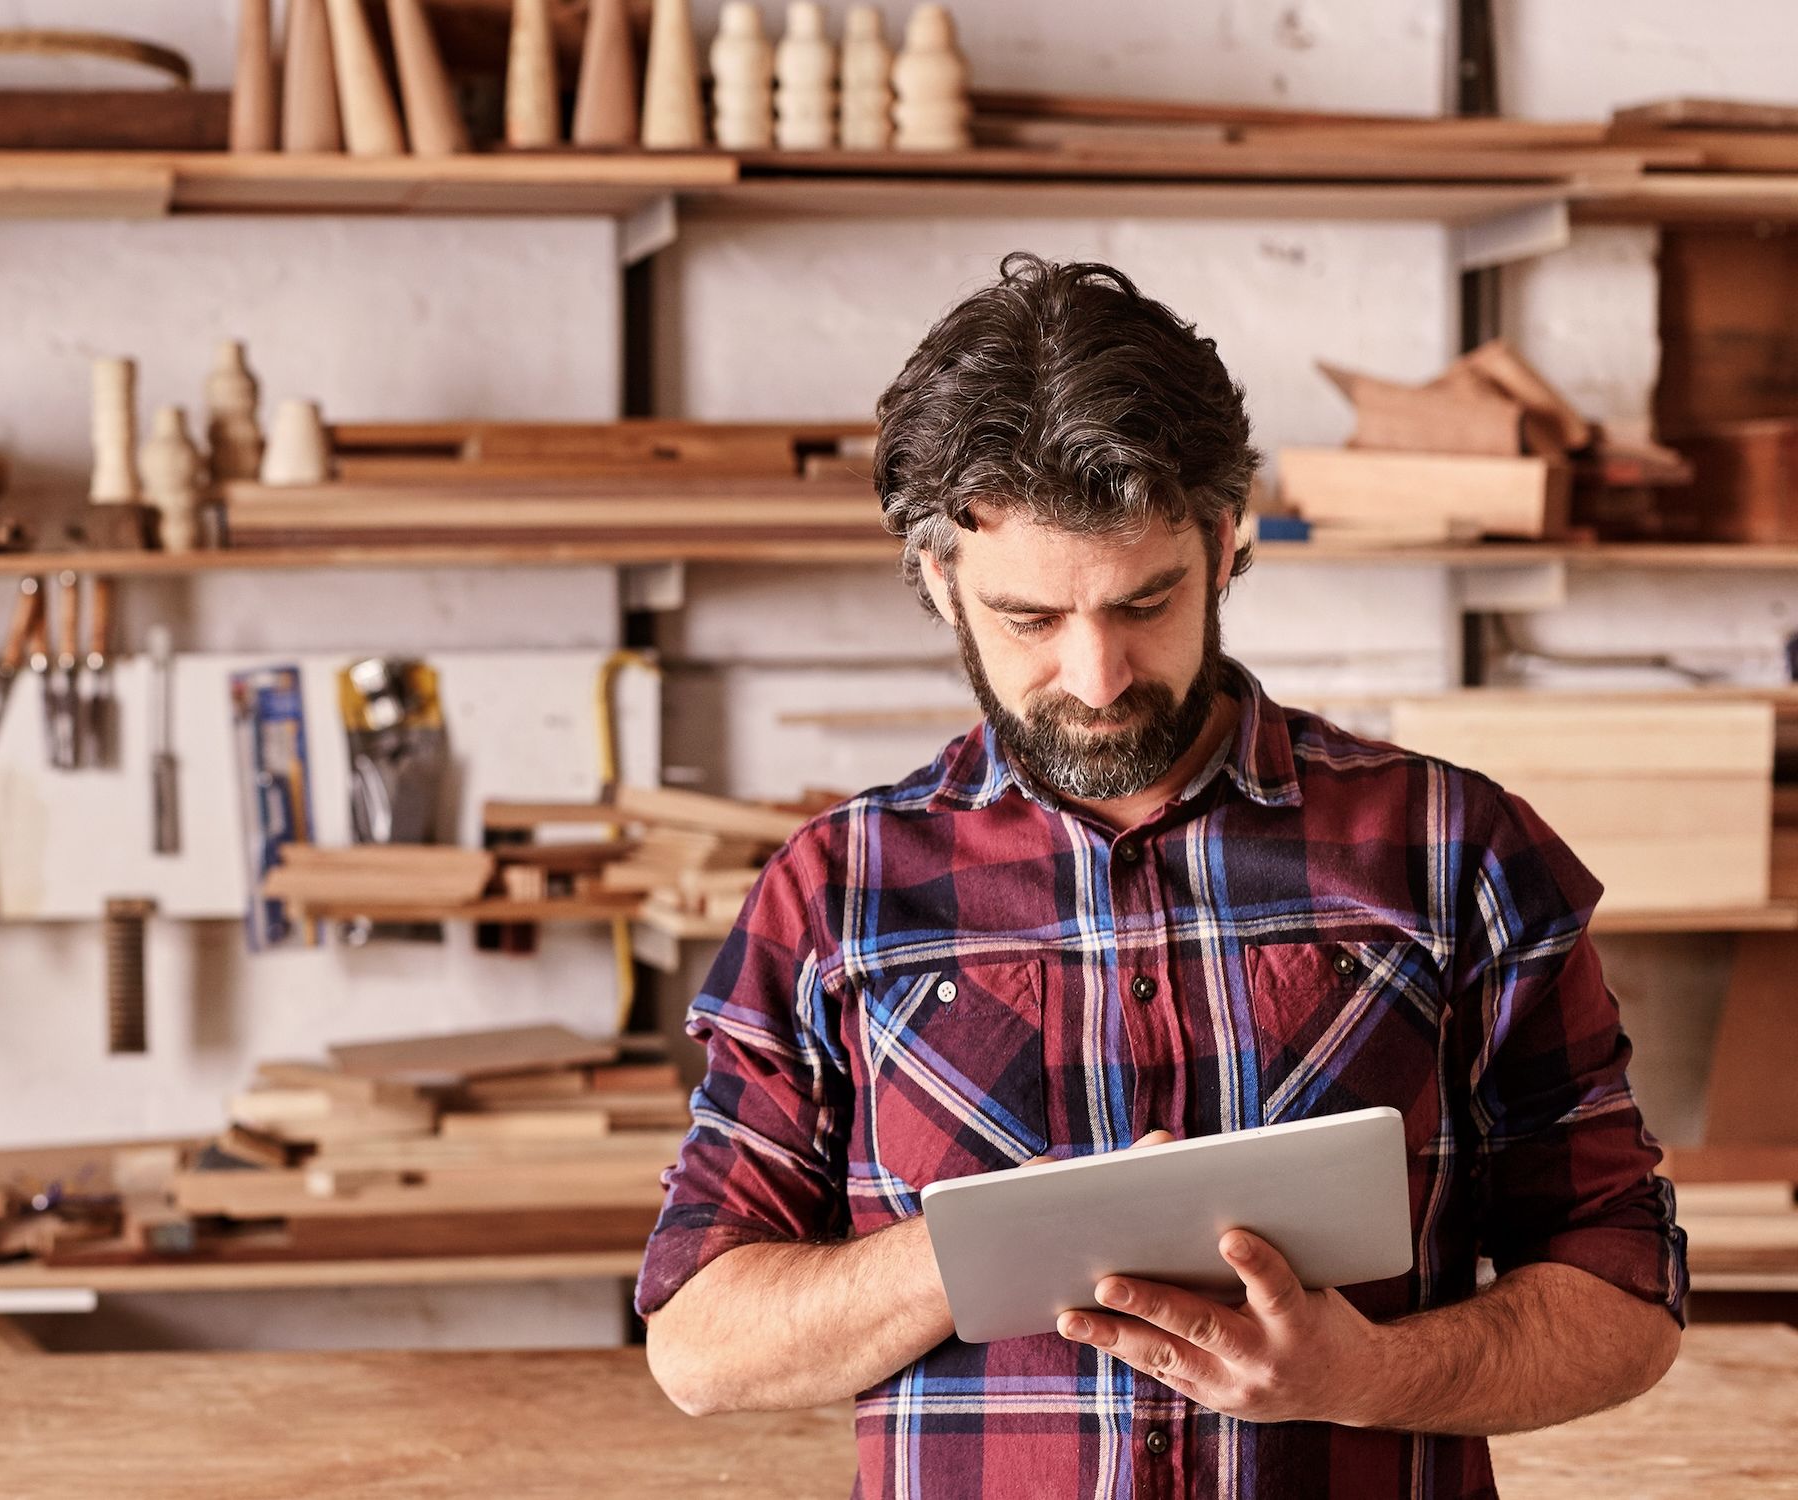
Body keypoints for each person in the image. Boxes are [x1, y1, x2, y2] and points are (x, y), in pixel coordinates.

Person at [639, 254, 1685, 1498]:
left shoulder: (1455, 851)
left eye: (1147, 601)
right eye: (1031, 619)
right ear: (938, 579)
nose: (1097, 677)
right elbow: (698, 1343)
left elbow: (1626, 1293)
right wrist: (979, 1247)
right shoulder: (837, 891)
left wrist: (1365, 1376)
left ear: (1226, 540)